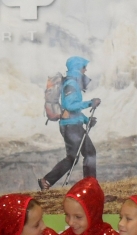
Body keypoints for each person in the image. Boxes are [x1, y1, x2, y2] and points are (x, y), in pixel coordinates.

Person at [38, 56, 101, 189]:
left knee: (73, 157)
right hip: (71, 127)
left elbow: (72, 110)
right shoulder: (71, 84)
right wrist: (90, 103)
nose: (85, 70)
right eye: (84, 67)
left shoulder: (71, 82)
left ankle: (47, 181)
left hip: (71, 125)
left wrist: (86, 120)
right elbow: (70, 105)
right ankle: (90, 186)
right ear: (77, 68)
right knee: (89, 153)